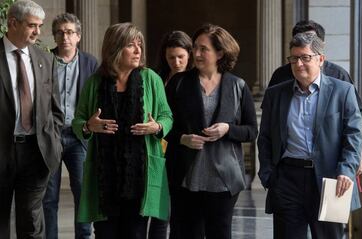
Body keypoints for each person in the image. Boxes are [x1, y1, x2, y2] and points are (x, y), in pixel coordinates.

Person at [72, 22, 172, 239]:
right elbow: (77, 122)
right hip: (105, 176)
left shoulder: (151, 79)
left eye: (140, 45)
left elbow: (167, 116)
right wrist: (89, 125)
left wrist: (157, 126)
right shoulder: (95, 82)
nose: (138, 50)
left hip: (140, 174)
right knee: (105, 234)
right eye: (130, 45)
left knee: (135, 234)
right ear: (115, 48)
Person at [257, 32, 362, 239]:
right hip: (287, 179)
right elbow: (265, 137)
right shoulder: (275, 94)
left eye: (305, 57)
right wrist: (269, 176)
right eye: (294, 58)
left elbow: (353, 136)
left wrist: (346, 170)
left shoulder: (343, 91)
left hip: (330, 180)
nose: (299, 64)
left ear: (320, 59)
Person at [165, 23, 258, 239]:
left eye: (203, 49)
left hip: (223, 181)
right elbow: (165, 125)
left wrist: (228, 129)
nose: (196, 53)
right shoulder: (179, 83)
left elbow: (251, 130)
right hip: (186, 177)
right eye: (195, 47)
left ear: (220, 53)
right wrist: (182, 138)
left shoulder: (238, 86)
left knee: (220, 234)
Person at [0, 0, 63, 238]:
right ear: (12, 23)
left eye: (40, 25)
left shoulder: (46, 60)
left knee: (32, 225)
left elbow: (56, 110)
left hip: (36, 152)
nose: (38, 32)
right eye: (32, 25)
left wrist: (53, 142)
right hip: (2, 150)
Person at [42, 13, 98, 239]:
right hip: (51, 136)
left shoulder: (90, 63)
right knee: (49, 197)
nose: (65, 36)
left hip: (79, 136)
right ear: (55, 36)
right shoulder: (43, 60)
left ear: (79, 36)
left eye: (70, 32)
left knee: (83, 194)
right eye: (60, 32)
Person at [146, 30, 192, 239]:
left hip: (182, 149)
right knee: (158, 210)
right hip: (157, 147)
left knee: (180, 213)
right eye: (171, 57)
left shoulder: (194, 80)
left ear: (189, 55)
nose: (176, 62)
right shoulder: (157, 78)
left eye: (181, 57)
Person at [267, 20, 362, 113]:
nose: (299, 64)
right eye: (300, 40)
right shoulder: (280, 75)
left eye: (311, 40)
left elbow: (354, 112)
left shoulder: (338, 74)